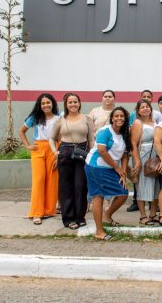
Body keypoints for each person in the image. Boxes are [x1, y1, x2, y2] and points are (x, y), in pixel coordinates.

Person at [84, 107, 131, 240]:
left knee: (123, 192)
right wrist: (117, 168)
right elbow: (102, 151)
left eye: (122, 116)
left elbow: (125, 154)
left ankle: (107, 215)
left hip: (111, 167)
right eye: (116, 116)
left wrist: (123, 171)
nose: (119, 118)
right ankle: (99, 231)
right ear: (111, 118)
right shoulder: (104, 131)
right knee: (98, 196)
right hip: (95, 166)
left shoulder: (125, 133)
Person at [49, 93, 94, 230]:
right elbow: (51, 137)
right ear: (66, 104)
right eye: (70, 102)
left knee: (81, 185)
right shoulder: (61, 120)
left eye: (75, 102)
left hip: (81, 152)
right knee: (66, 186)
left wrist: (92, 156)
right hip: (65, 152)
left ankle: (80, 216)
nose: (73, 104)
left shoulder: (87, 119)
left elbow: (91, 139)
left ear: (79, 103)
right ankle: (68, 218)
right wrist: (55, 151)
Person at [19, 93, 60, 225]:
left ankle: (49, 210)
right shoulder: (35, 118)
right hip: (38, 148)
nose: (46, 105)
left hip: (54, 148)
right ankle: (36, 213)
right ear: (39, 105)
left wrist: (59, 153)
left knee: (52, 179)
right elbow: (21, 131)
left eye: (48, 102)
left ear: (52, 103)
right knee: (39, 179)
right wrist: (27, 145)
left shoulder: (59, 118)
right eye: (43, 103)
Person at [130, 99, 160, 225]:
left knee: (155, 186)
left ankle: (153, 214)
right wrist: (137, 161)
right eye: (142, 107)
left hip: (155, 157)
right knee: (142, 186)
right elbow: (133, 143)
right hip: (142, 155)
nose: (145, 109)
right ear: (138, 110)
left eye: (147, 106)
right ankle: (143, 216)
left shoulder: (156, 122)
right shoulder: (138, 123)